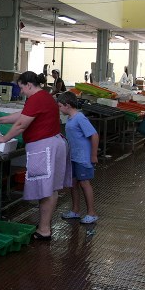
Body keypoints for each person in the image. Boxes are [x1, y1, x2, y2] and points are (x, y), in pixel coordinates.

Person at [0, 71, 71, 240]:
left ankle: (44, 230)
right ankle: (44, 226)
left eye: (21, 88)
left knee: (46, 190)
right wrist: (2, 120)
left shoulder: (37, 98)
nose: (21, 92)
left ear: (29, 85)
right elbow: (24, 115)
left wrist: (4, 138)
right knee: (50, 189)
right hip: (54, 143)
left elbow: (21, 124)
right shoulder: (44, 96)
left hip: (45, 147)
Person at [57, 92, 99, 224]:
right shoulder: (70, 118)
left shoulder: (79, 118)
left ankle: (91, 213)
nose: (59, 109)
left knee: (84, 183)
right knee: (73, 183)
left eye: (60, 106)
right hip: (74, 157)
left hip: (83, 157)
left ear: (67, 105)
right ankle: (75, 210)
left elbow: (94, 135)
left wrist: (93, 155)